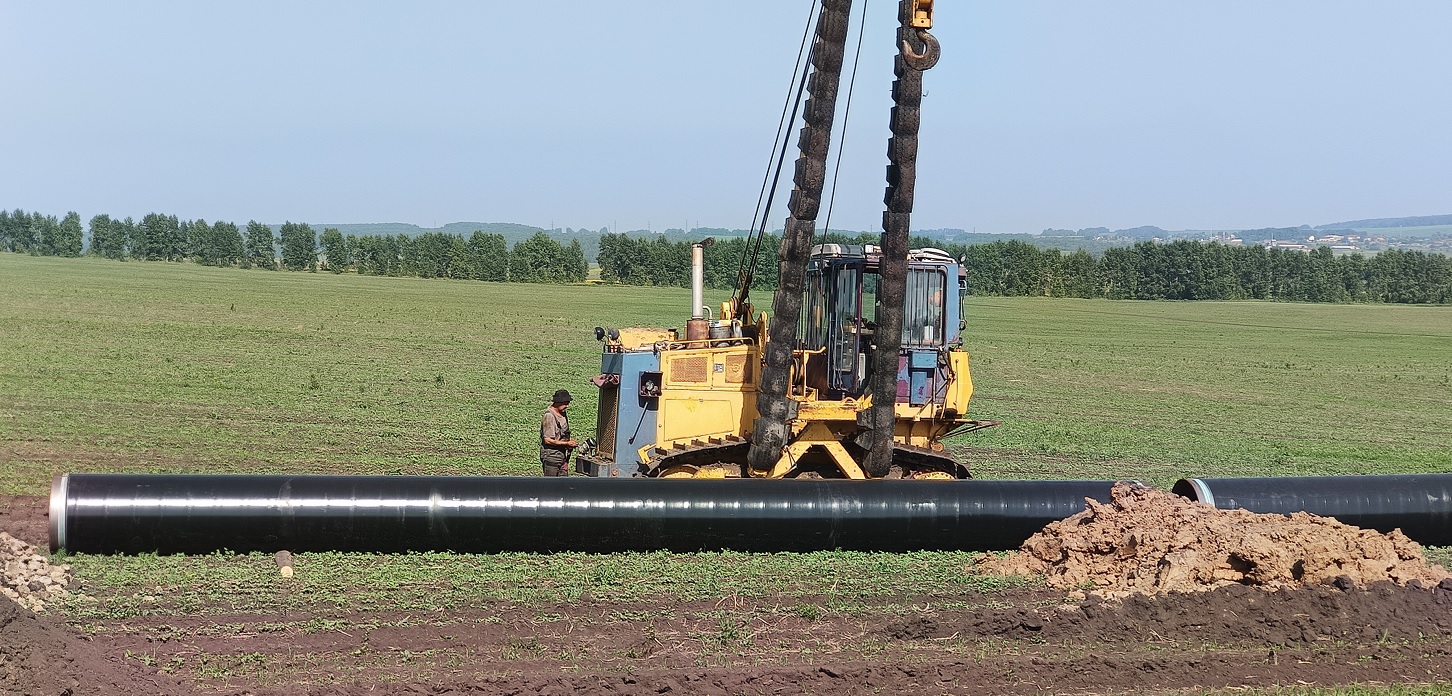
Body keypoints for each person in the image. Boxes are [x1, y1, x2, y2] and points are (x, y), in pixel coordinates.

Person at [539, 389, 578, 476]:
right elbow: (548, 440)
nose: (567, 406)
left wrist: (570, 442)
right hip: (551, 456)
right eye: (565, 403)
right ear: (558, 402)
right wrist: (567, 443)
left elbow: (564, 433)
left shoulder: (563, 414)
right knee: (551, 485)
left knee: (563, 485)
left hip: (562, 456)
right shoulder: (549, 416)